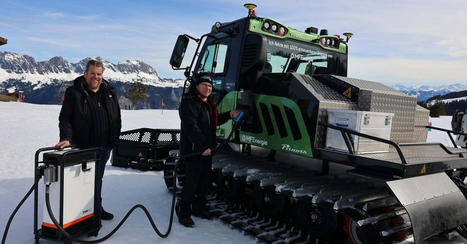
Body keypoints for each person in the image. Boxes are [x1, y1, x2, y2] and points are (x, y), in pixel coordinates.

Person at [56, 59, 121, 225]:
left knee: (97, 179)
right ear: (85, 74)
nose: (96, 77)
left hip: (104, 146)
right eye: (92, 73)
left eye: (99, 74)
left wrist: (113, 140)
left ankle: (96, 208)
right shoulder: (74, 93)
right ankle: (82, 215)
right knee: (83, 182)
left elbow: (116, 117)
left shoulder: (109, 92)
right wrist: (65, 138)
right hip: (84, 147)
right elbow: (66, 118)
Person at [177, 73, 239, 227]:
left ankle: (199, 207)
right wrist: (203, 146)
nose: (208, 88)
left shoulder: (208, 103)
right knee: (191, 182)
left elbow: (213, 122)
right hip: (194, 151)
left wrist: (229, 115)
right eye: (204, 85)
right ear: (197, 86)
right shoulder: (189, 103)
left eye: (210, 86)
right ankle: (184, 211)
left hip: (207, 150)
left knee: (204, 182)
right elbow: (192, 128)